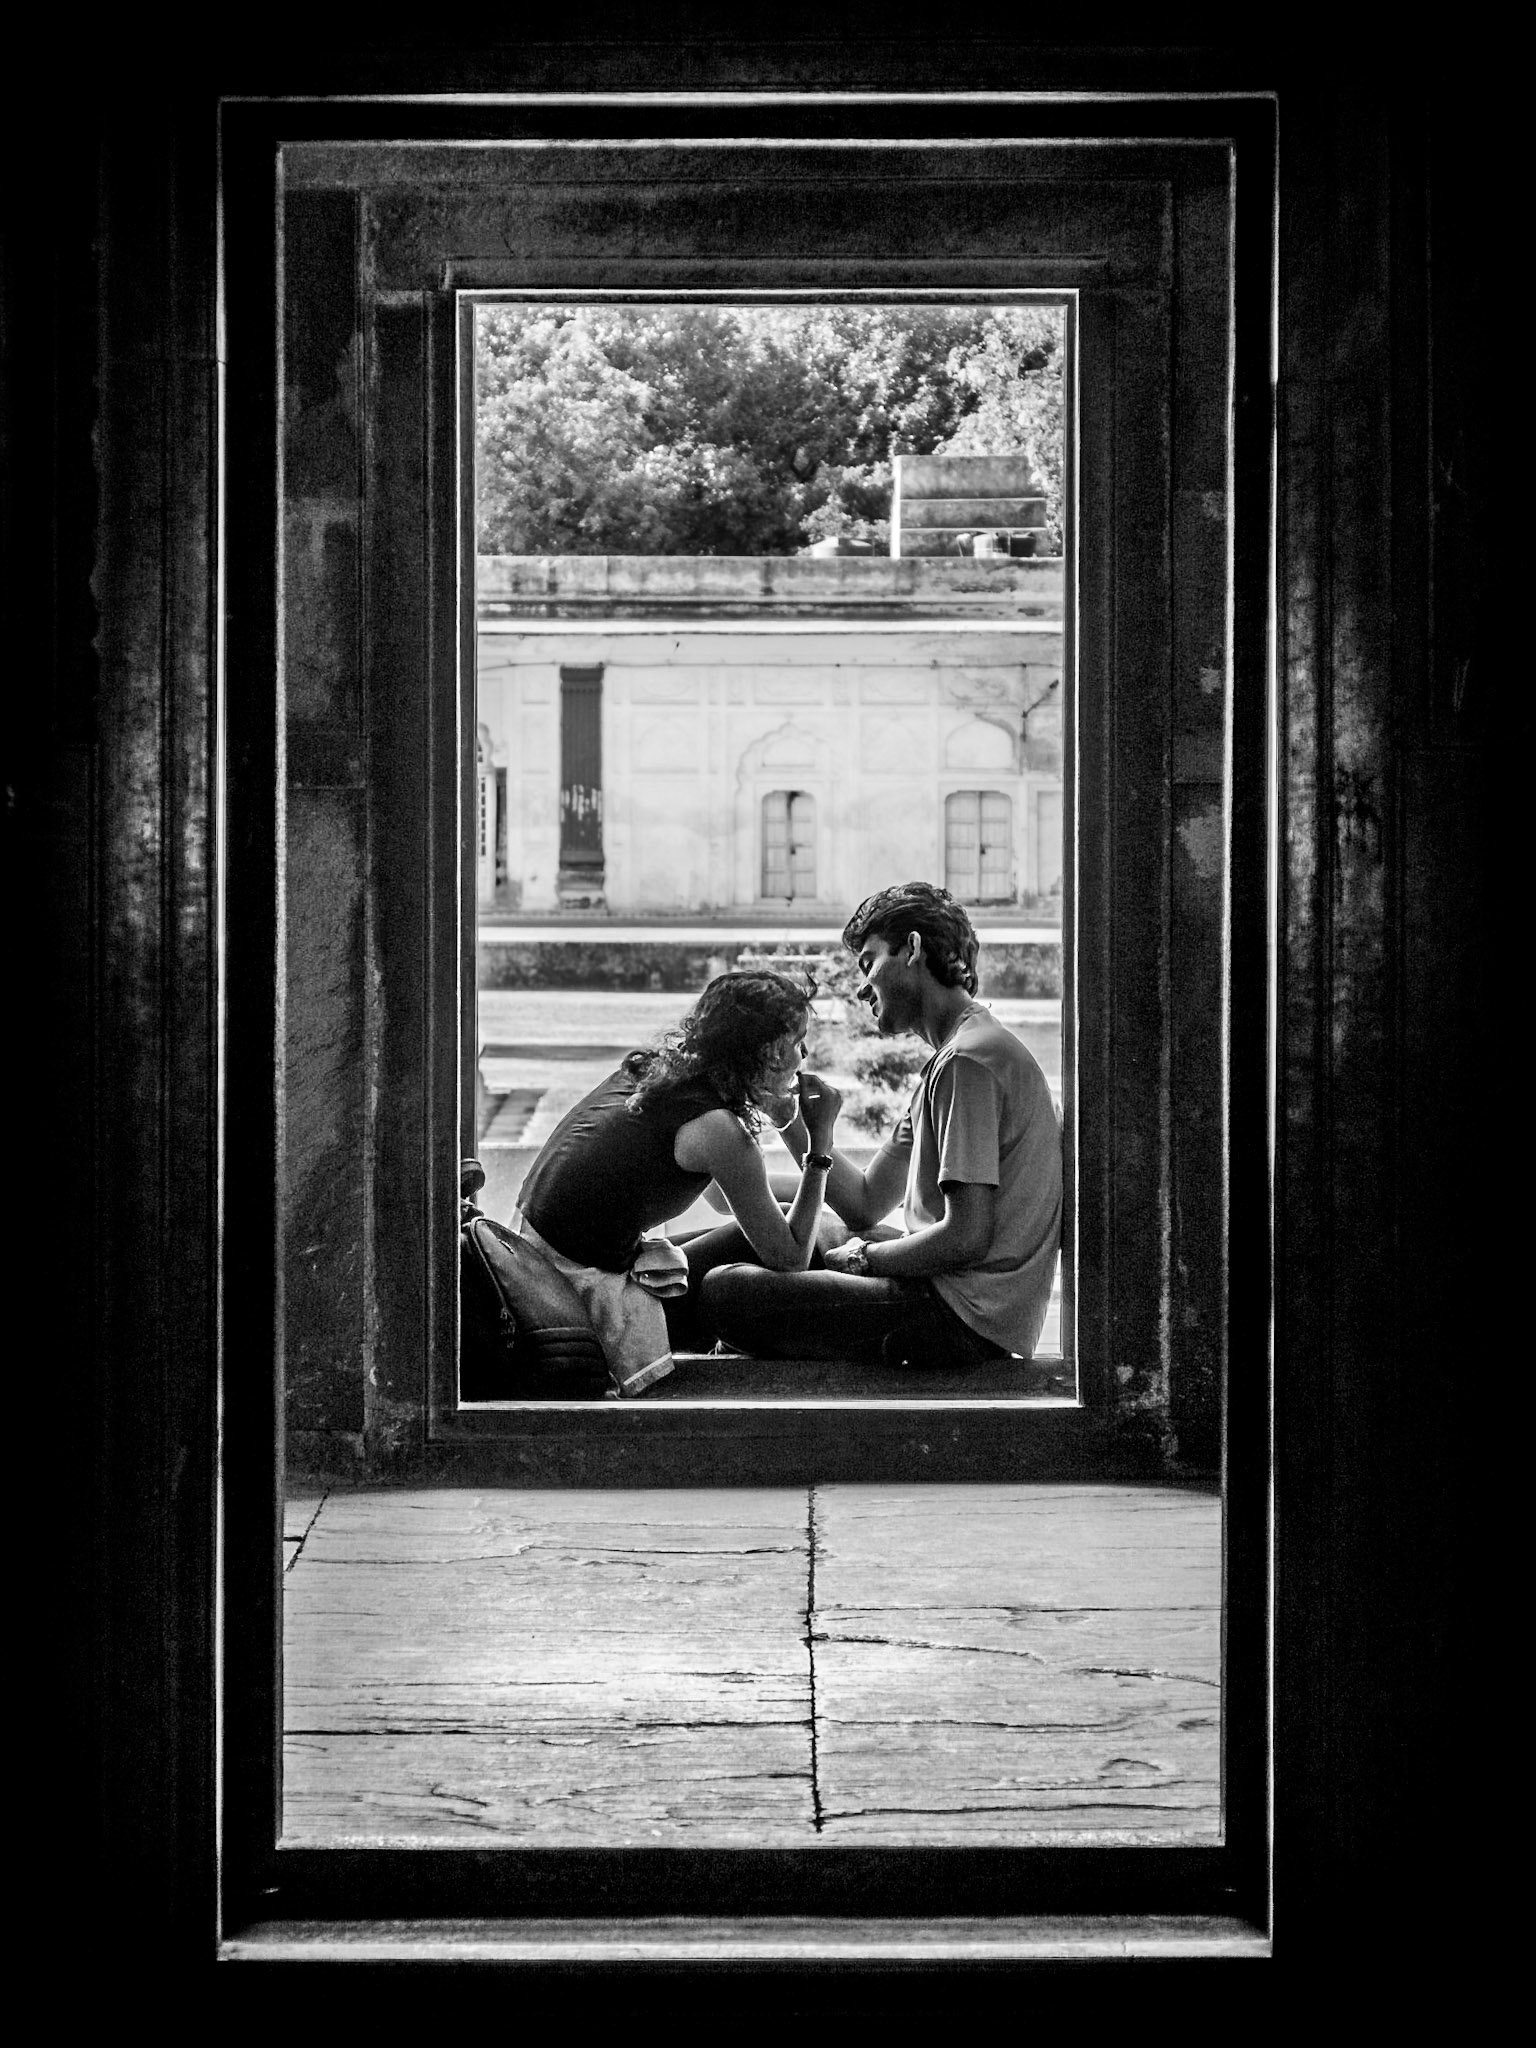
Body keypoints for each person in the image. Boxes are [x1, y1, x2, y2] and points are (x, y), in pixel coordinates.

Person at [700, 882, 1062, 1369]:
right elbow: (866, 1201)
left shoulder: (969, 1063)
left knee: (726, 1291)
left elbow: (967, 1236)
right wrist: (794, 1123)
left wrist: (863, 1258)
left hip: (963, 1319)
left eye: (869, 962)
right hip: (956, 1297)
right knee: (819, 1226)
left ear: (912, 949)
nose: (862, 987)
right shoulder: (956, 1057)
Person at [509, 970, 842, 1395]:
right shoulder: (717, 1129)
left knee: (785, 1232)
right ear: (771, 1052)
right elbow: (789, 1257)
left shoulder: (657, 1074)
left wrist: (801, 1166)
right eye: (798, 1042)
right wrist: (820, 1151)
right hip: (581, 1300)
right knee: (788, 1258)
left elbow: (728, 1201)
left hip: (537, 1268)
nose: (805, 1053)